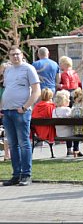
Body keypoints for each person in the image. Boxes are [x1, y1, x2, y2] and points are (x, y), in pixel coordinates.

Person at [2, 46, 41, 186]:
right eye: (12, 55)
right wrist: (2, 108)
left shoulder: (28, 68)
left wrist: (25, 107)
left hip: (21, 112)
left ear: (22, 55)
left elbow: (37, 91)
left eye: (17, 54)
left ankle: (26, 174)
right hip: (7, 111)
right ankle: (16, 174)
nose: (15, 57)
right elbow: (7, 89)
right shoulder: (8, 70)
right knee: (13, 144)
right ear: (9, 57)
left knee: (24, 143)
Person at [52, 90, 76, 156]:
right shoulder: (67, 110)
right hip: (69, 133)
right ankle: (75, 149)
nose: (69, 100)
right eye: (68, 99)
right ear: (64, 100)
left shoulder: (54, 110)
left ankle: (69, 150)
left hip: (59, 133)